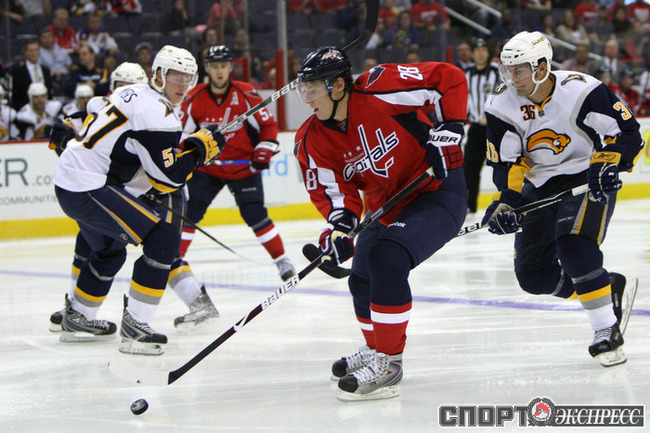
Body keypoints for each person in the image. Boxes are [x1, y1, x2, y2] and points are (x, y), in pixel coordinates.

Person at [293, 47, 468, 400]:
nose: (306, 98)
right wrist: (340, 229)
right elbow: (337, 196)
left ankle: (389, 363)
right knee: (360, 277)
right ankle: (375, 349)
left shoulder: (381, 86)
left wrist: (449, 129)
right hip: (387, 205)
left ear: (338, 85)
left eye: (313, 88)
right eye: (303, 89)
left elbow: (448, 78)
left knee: (387, 259)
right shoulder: (311, 140)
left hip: (436, 189)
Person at [481, 31, 643, 368]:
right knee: (533, 276)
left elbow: (627, 133)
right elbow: (506, 163)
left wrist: (609, 162)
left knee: (574, 245)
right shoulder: (500, 104)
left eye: (519, 70)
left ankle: (606, 328)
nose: (512, 78)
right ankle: (604, 286)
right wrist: (506, 201)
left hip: (587, 176)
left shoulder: (582, 90)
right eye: (507, 69)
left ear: (541, 67)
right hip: (539, 185)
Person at [51, 45, 225, 355]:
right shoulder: (156, 111)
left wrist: (192, 148)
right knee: (162, 237)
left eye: (188, 78)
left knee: (109, 249)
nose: (182, 85)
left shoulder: (129, 93)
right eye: (176, 77)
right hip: (87, 186)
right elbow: (168, 178)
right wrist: (201, 151)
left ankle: (79, 317)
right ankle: (136, 325)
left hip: (72, 182)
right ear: (158, 75)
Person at [179, 45, 296, 281]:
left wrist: (264, 148)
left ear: (230, 67)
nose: (219, 71)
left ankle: (282, 260)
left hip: (243, 168)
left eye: (223, 66)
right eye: (214, 66)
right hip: (208, 168)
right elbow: (183, 134)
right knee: (190, 214)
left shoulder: (246, 93)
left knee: (255, 214)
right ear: (207, 69)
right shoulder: (194, 97)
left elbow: (268, 125)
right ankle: (173, 260)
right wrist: (187, 155)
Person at [463, 38, 500, 215]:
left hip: (495, 126)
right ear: (472, 53)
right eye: (477, 50)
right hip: (476, 127)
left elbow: (504, 94)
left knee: (502, 165)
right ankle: (469, 205)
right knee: (470, 167)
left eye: (483, 49)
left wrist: (492, 113)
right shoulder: (466, 73)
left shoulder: (496, 71)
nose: (480, 53)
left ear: (488, 52)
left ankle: (507, 201)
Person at [9, 39, 53, 111]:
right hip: (25, 111)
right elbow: (15, 97)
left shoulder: (46, 71)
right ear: (26, 52)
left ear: (39, 52)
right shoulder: (18, 72)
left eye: (36, 50)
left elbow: (49, 93)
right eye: (31, 50)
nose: (33, 53)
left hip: (45, 111)